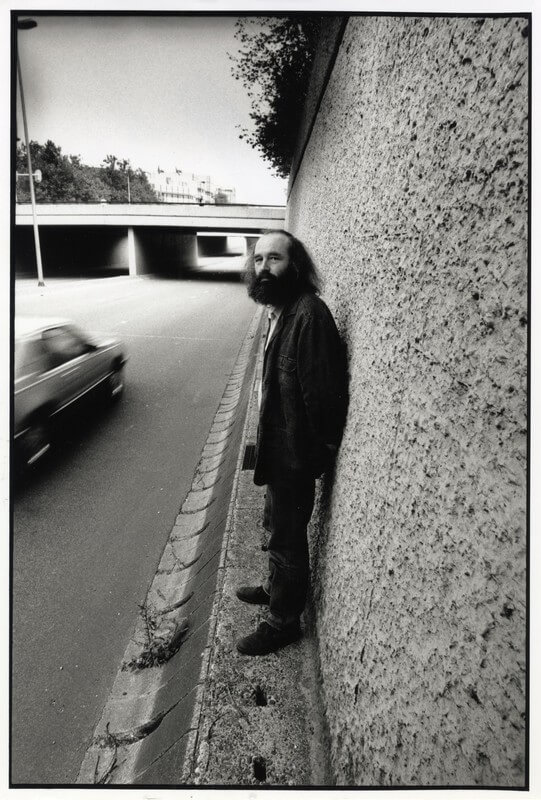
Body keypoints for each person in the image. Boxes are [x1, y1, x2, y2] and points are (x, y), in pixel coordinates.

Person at [236, 229, 347, 656]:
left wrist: (319, 453)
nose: (263, 268)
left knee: (287, 540)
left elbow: (323, 394)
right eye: (259, 260)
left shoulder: (308, 315)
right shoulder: (279, 310)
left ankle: (283, 622)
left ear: (295, 266)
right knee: (273, 526)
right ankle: (271, 586)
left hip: (295, 455)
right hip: (277, 447)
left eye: (274, 259)